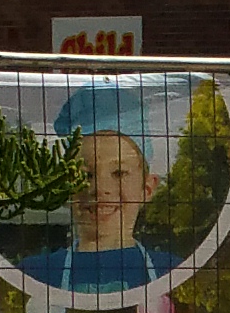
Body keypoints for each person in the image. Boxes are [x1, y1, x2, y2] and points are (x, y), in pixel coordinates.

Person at [22, 82, 176, 296]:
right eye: (86, 175)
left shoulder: (173, 272)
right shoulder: (33, 273)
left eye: (119, 173)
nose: (100, 189)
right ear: (65, 187)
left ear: (147, 188)